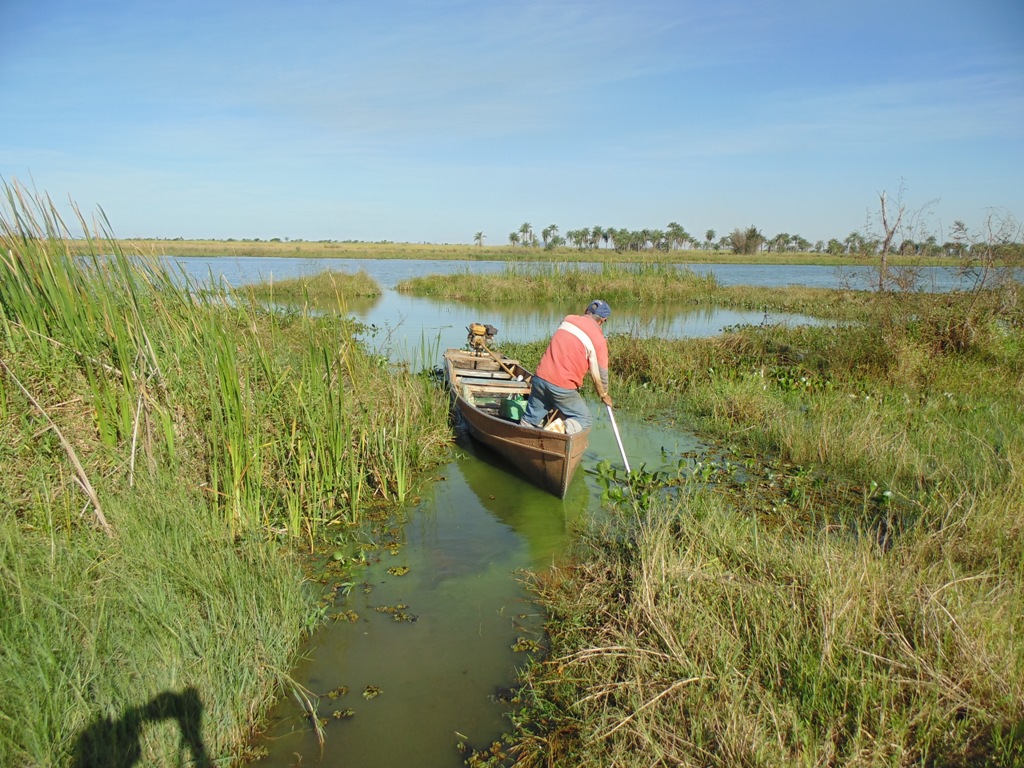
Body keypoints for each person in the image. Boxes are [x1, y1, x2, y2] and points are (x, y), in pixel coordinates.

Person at [522, 299, 613, 432]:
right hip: (562, 388)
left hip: (540, 379)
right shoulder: (599, 340)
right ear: (602, 320)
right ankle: (555, 431)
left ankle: (523, 431)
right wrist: (604, 394)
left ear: (586, 311)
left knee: (529, 420)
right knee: (584, 419)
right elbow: (601, 373)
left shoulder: (568, 319)